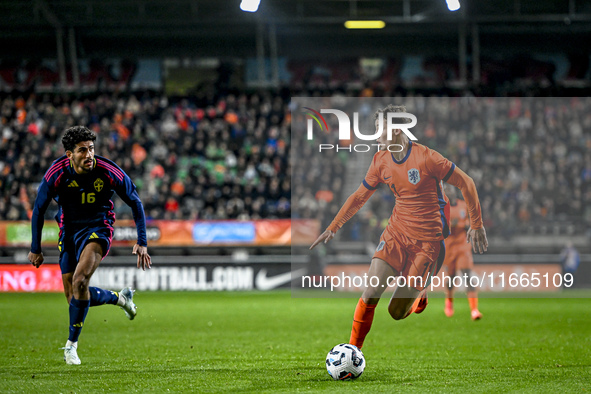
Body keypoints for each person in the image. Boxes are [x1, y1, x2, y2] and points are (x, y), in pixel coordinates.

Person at [310, 105, 488, 350]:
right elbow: (359, 196)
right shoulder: (380, 160)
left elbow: (466, 182)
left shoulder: (427, 157)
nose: (375, 135)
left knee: (396, 311)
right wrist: (333, 226)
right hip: (396, 234)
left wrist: (476, 224)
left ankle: (419, 296)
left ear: (395, 129)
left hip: (428, 244)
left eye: (379, 128)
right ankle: (352, 351)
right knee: (370, 292)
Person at [28, 126, 152, 365]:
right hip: (69, 230)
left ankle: (71, 346)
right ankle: (120, 299)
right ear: (69, 155)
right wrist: (36, 248)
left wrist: (142, 241)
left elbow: (135, 202)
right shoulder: (56, 173)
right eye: (82, 150)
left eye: (91, 149)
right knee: (74, 295)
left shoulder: (107, 170)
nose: (89, 155)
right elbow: (38, 209)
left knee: (80, 281)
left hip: (98, 228)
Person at [441, 183, 482, 320]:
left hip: (462, 244)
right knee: (451, 277)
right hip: (449, 245)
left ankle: (474, 310)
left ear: (454, 191)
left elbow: (470, 223)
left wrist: (464, 225)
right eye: (445, 191)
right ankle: (449, 302)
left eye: (450, 190)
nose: (448, 192)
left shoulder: (463, 205)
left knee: (467, 275)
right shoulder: (440, 208)